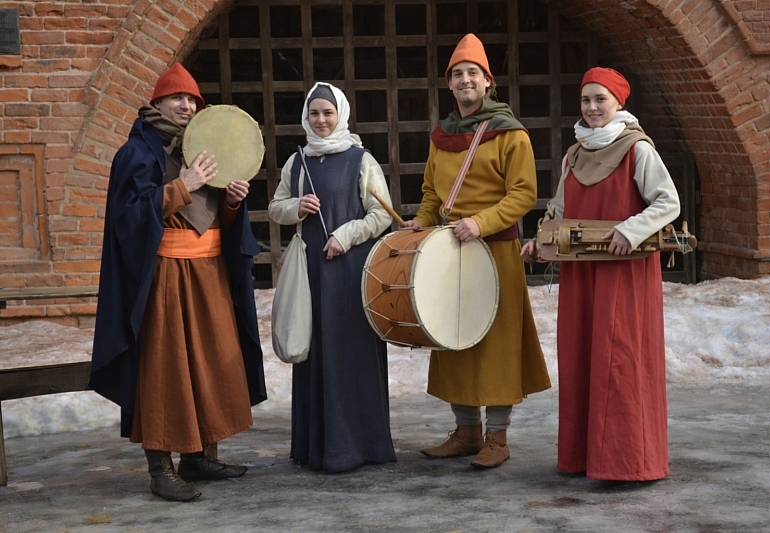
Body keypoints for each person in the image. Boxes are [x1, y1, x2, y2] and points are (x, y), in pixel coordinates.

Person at [90, 63, 267, 501]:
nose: (186, 106)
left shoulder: (205, 146)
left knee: (208, 364)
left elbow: (220, 221)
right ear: (158, 102)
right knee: (166, 369)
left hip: (208, 276)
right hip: (165, 278)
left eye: (192, 100)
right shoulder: (136, 153)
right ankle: (160, 468)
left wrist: (231, 202)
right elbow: (128, 221)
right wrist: (181, 186)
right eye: (177, 98)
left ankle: (197, 457)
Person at [521, 67, 680, 482]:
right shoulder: (574, 155)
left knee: (620, 359)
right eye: (586, 100)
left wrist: (631, 230)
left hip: (624, 274)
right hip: (581, 274)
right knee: (582, 356)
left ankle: (628, 463)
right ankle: (584, 457)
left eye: (600, 99)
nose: (592, 108)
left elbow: (668, 202)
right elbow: (558, 210)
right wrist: (540, 241)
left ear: (619, 103)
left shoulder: (637, 149)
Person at [403, 34, 551, 469]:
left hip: (495, 251)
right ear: (448, 84)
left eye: (473, 73)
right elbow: (433, 193)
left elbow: (523, 194)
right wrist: (422, 221)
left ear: (488, 82)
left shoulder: (511, 134)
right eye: (457, 74)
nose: (465, 80)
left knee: (495, 343)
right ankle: (466, 432)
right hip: (450, 250)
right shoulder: (441, 135)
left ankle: (497, 438)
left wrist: (481, 223)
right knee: (452, 336)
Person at [268, 82, 396, 472]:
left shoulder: (362, 159)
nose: (321, 120)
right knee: (316, 352)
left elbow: (382, 213)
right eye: (314, 113)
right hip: (312, 273)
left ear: (341, 114)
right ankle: (319, 448)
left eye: (328, 113)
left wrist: (345, 235)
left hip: (352, 272)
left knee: (352, 353)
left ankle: (363, 446)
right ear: (306, 117)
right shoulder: (296, 162)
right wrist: (296, 206)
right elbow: (275, 207)